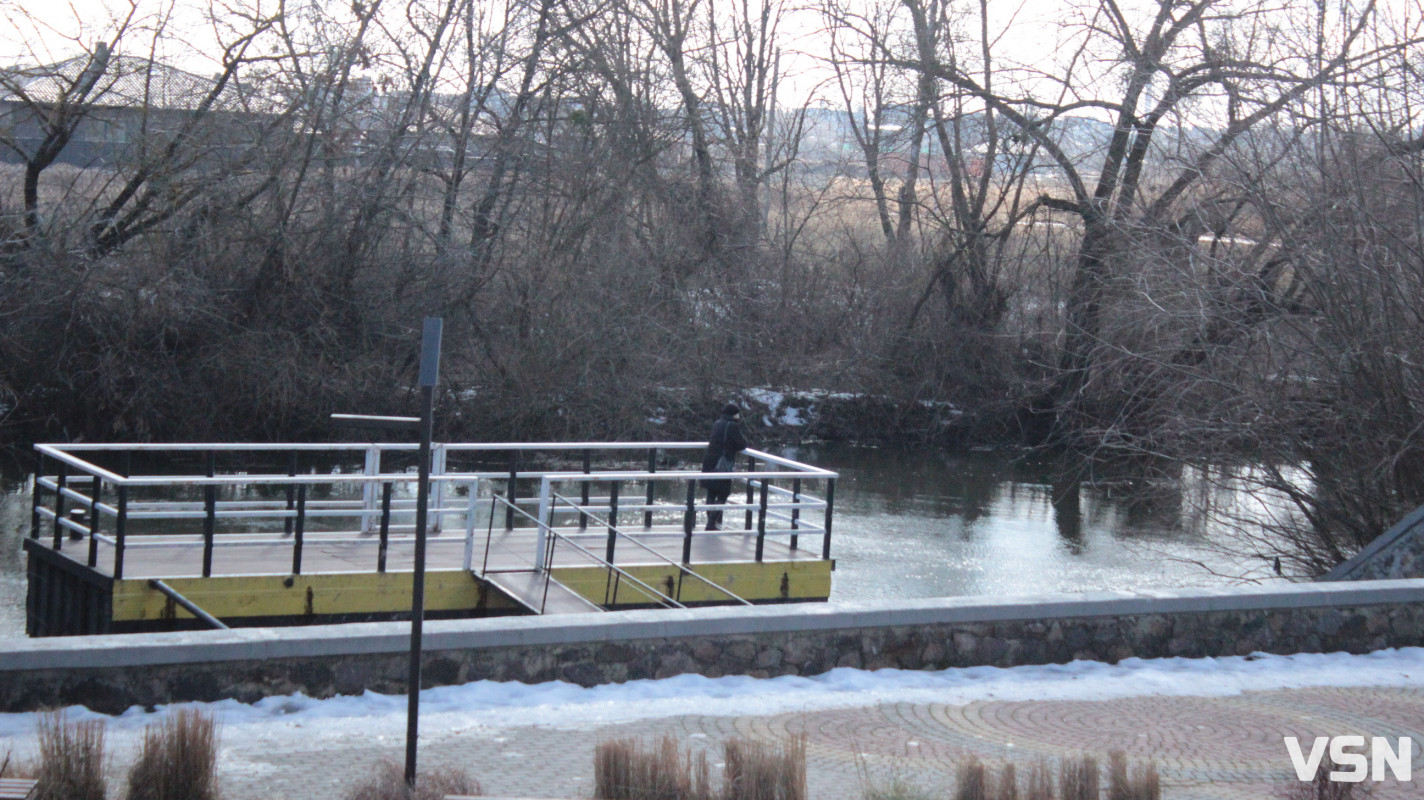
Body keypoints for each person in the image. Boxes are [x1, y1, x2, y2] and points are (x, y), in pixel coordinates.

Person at [701, 402, 748, 531]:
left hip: (710, 462)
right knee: (723, 492)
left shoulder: (717, 423)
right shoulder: (732, 426)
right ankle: (711, 524)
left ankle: (712, 522)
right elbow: (742, 444)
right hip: (722, 464)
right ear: (735, 415)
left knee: (711, 491)